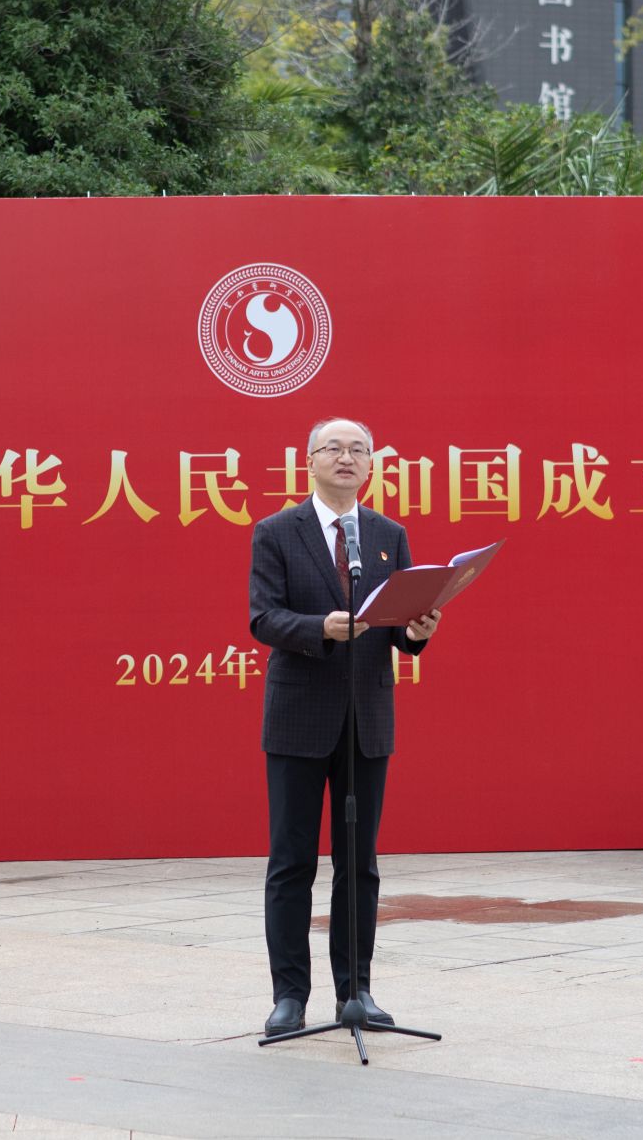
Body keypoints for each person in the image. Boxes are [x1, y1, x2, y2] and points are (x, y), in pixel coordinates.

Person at [248, 416, 440, 1036]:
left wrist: (419, 631)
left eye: (359, 450)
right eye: (334, 448)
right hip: (298, 717)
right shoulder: (277, 531)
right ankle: (289, 997)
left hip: (366, 719)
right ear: (309, 461)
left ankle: (356, 991)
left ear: (372, 465)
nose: (347, 458)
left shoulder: (388, 535)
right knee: (292, 863)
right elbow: (264, 618)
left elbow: (402, 630)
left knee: (359, 864)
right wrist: (321, 629)